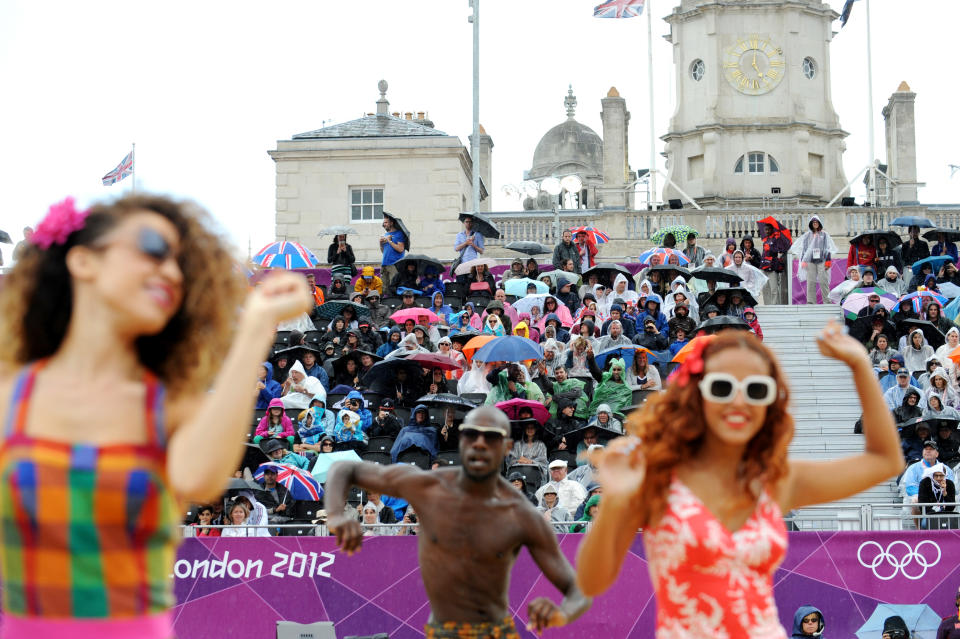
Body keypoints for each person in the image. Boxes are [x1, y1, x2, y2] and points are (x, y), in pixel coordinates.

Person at [0, 195, 310, 636]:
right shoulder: (11, 391)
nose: (169, 270)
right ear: (83, 261)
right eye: (151, 247)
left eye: (179, 262)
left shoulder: (166, 403)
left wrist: (257, 329)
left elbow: (202, 479)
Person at [576, 325, 902, 639]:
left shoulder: (775, 479)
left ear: (770, 404)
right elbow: (591, 582)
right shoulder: (658, 477)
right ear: (696, 395)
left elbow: (885, 462)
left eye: (757, 390)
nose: (739, 401)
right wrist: (616, 502)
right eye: (722, 387)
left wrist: (860, 364)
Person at [325, 406, 591, 636]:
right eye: (471, 435)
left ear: (507, 447)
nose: (479, 443)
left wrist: (560, 614)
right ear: (461, 441)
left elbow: (578, 591)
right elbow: (343, 469)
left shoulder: (520, 513)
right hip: (442, 630)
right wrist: (337, 515)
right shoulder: (428, 487)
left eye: (490, 437)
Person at [790, 215, 837, 305]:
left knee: (824, 281)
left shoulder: (824, 234)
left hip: (822, 260)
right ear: (811, 224)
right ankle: (811, 302)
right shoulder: (807, 235)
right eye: (813, 222)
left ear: (819, 223)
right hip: (810, 261)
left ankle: (827, 301)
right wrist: (803, 260)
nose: (815, 224)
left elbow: (828, 248)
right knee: (811, 282)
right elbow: (804, 248)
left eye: (816, 222)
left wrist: (828, 261)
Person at [917, 462, 957, 529]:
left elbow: (951, 507)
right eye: (936, 475)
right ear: (932, 475)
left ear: (945, 475)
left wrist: (944, 492)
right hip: (930, 514)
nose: (938, 478)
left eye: (941, 475)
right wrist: (935, 514)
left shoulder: (949, 484)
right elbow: (922, 503)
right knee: (924, 524)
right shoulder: (925, 482)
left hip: (945, 514)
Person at [379, 214, 407, 285]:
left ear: (391, 223)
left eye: (386, 222)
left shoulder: (399, 234)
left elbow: (401, 249)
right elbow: (383, 251)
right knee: (383, 288)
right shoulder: (385, 234)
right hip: (385, 264)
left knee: (393, 286)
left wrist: (390, 241)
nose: (383, 224)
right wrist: (380, 243)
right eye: (383, 222)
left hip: (394, 265)